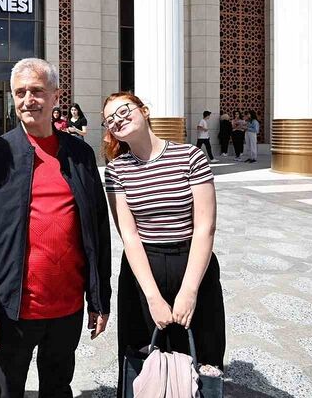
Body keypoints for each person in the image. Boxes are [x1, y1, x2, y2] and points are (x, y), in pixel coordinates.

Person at [0, 58, 112, 398]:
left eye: (37, 91)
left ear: (56, 96)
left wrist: (99, 298)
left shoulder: (79, 154)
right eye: (20, 92)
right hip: (12, 308)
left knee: (58, 387)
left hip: (68, 307)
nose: (28, 99)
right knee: (6, 389)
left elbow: (97, 232)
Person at [100, 93, 225, 396]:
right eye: (110, 119)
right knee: (143, 356)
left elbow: (205, 227)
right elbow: (129, 237)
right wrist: (153, 297)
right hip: (144, 271)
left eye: (124, 110)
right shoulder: (117, 170)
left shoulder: (190, 156)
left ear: (144, 110)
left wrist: (189, 291)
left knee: (201, 357)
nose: (118, 119)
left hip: (192, 263)